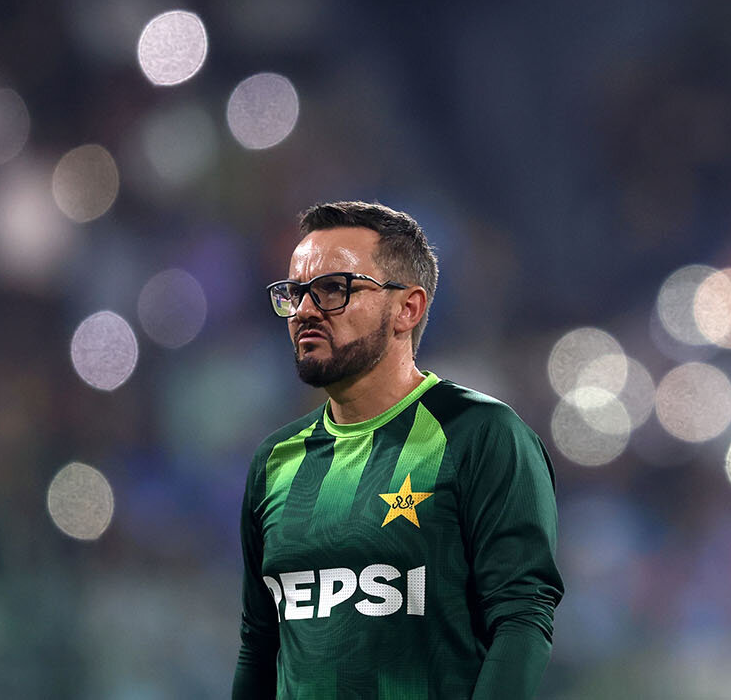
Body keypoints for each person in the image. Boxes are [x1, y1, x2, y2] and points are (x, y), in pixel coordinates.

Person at [233, 201, 564, 699]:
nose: (304, 311)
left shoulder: (480, 435)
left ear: (408, 308)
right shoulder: (275, 461)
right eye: (294, 293)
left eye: (333, 289)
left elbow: (522, 618)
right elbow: (259, 645)